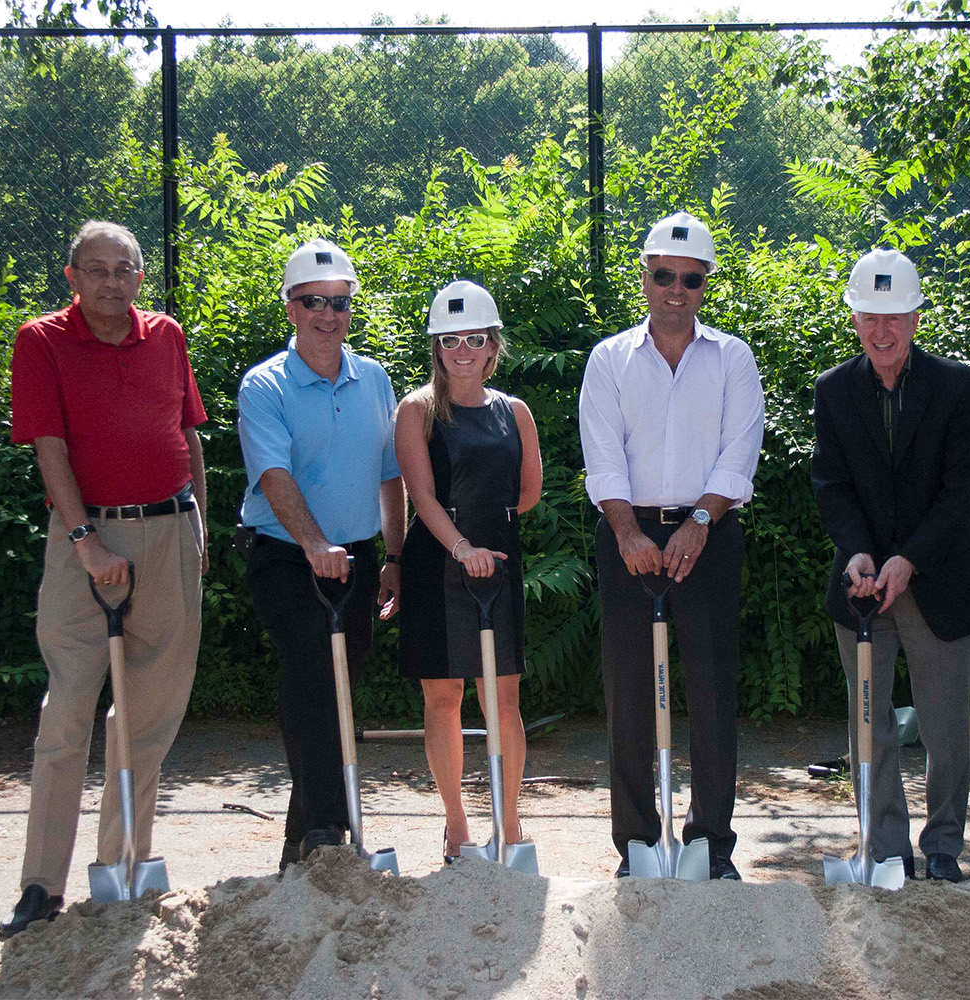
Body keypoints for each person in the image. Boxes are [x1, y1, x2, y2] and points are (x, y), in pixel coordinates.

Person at [0, 220, 207, 938]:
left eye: (124, 270)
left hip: (170, 532)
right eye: (97, 269)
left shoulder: (167, 336)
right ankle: (40, 886)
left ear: (140, 278)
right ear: (72, 277)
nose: (111, 281)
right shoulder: (43, 341)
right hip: (84, 540)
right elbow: (48, 444)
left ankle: (121, 868)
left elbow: (188, 434)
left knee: (147, 716)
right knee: (67, 714)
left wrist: (198, 530)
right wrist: (85, 537)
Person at [578, 211, 765, 881]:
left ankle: (710, 845)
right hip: (626, 534)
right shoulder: (609, 359)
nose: (676, 289)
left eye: (690, 278)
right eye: (664, 276)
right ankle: (636, 845)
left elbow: (740, 448)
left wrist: (701, 523)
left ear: (705, 283)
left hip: (709, 535)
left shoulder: (733, 358)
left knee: (712, 692)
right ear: (646, 277)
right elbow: (601, 453)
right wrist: (627, 531)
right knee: (629, 693)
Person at [810, 248, 970, 884]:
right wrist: (858, 550)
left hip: (938, 580)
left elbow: (960, 490)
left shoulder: (959, 388)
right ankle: (886, 847)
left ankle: (942, 844)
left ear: (916, 318)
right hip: (860, 587)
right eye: (868, 318)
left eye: (893, 318)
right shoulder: (832, 391)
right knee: (870, 726)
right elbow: (831, 483)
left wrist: (908, 559)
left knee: (946, 727)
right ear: (854, 318)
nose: (880, 331)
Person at [237, 237, 406, 867]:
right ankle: (331, 832)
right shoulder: (266, 386)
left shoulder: (374, 380)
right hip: (285, 555)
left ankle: (300, 840)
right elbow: (274, 475)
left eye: (339, 302)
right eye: (313, 301)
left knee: (340, 683)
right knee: (313, 674)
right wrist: (314, 544)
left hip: (357, 558)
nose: (327, 314)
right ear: (291, 306)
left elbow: (391, 474)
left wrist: (394, 557)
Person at [394, 281, 542, 863]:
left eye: (474, 338)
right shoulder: (417, 410)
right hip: (438, 560)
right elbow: (420, 496)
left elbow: (528, 492)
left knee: (504, 698)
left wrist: (490, 535)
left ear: (491, 345)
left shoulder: (516, 412)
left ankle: (508, 822)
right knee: (443, 696)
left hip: (498, 561)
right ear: (437, 346)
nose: (462, 349)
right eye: (450, 339)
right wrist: (461, 545)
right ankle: (456, 823)